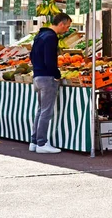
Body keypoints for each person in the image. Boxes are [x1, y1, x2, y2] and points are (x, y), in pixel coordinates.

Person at [29, 13, 72, 154]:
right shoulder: (51, 37)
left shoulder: (40, 35)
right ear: (61, 24)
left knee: (40, 110)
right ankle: (42, 143)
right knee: (46, 112)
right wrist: (57, 75)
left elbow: (31, 56)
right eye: (67, 27)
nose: (66, 30)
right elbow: (50, 60)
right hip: (47, 78)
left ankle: (34, 141)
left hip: (37, 75)